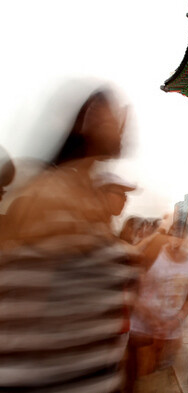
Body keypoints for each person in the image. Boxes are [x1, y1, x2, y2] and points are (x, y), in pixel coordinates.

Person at [0, 86, 134, 392]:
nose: (121, 122)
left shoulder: (87, 206)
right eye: (106, 113)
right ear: (86, 122)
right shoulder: (46, 196)